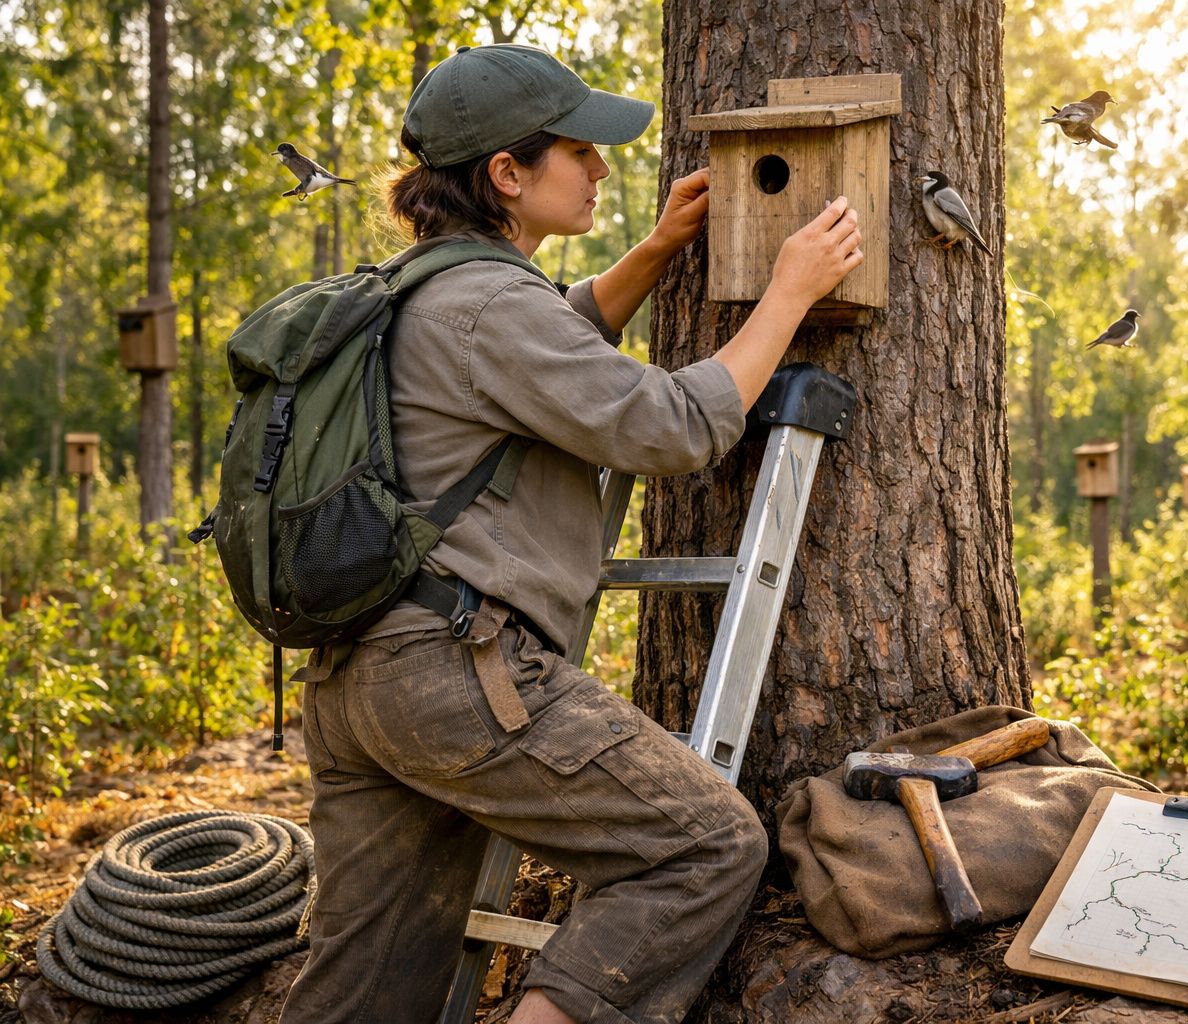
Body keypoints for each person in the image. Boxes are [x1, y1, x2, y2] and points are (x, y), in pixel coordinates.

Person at [278, 43, 863, 1024]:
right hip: (454, 673)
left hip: (357, 684)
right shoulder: (491, 305)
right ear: (507, 174)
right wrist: (789, 292)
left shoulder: (415, 290)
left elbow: (554, 338)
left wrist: (653, 253)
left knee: (365, 986)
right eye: (577, 151)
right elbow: (673, 427)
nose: (600, 169)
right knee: (708, 843)